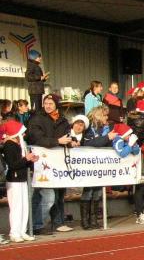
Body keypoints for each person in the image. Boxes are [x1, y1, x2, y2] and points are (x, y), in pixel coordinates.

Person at [25, 93, 76, 235]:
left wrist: (71, 142)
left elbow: (66, 137)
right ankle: (35, 225)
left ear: (56, 105)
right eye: (46, 103)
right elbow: (36, 138)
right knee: (46, 196)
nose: (47, 106)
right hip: (41, 163)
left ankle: (58, 222)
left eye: (50, 104)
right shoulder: (36, 119)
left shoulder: (63, 120)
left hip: (58, 163)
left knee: (59, 195)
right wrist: (57, 141)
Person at [80, 105, 117, 229]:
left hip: (101, 165)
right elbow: (88, 143)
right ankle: (85, 221)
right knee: (88, 191)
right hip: (89, 164)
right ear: (98, 115)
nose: (107, 118)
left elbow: (110, 143)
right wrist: (107, 138)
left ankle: (94, 219)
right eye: (105, 115)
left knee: (97, 192)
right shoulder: (88, 128)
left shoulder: (107, 128)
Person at [1, 120, 38, 242]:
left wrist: (30, 160)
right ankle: (14, 232)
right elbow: (12, 164)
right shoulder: (9, 145)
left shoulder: (20, 145)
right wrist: (26, 159)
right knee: (16, 207)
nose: (23, 135)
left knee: (24, 206)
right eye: (21, 133)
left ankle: (22, 230)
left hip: (22, 178)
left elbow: (22, 162)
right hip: (14, 179)